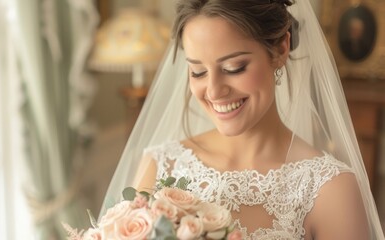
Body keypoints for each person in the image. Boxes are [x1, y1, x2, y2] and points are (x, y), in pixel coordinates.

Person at [101, 0, 384, 239]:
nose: (213, 91)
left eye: (234, 67)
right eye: (198, 72)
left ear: (281, 49)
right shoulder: (160, 165)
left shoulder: (331, 190)